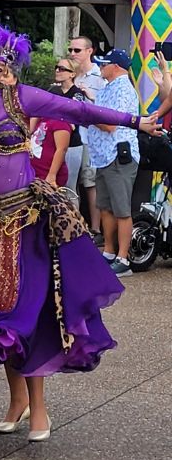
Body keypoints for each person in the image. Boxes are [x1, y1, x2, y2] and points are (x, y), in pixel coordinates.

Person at [0, 23, 158, 442]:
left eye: (8, 57)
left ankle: (39, 408)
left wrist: (135, 121)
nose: (3, 63)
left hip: (26, 223)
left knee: (29, 314)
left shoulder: (20, 97)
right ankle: (16, 401)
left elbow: (80, 112)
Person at [83, 49, 141, 277]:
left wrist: (86, 112)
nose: (100, 67)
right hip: (103, 155)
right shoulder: (108, 87)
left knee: (122, 209)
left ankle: (123, 258)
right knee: (105, 206)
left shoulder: (124, 89)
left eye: (104, 64)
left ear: (116, 66)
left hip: (119, 156)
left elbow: (110, 125)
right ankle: (108, 251)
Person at [67, 33, 106, 235]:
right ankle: (75, 227)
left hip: (92, 138)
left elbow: (107, 109)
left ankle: (96, 228)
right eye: (70, 50)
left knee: (90, 182)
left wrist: (90, 98)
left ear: (90, 51)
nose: (73, 54)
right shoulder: (71, 74)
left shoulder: (100, 77)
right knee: (71, 182)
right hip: (72, 137)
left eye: (77, 50)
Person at [49, 55, 89, 198]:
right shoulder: (53, 91)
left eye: (62, 69)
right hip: (53, 143)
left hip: (72, 145)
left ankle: (74, 219)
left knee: (69, 188)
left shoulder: (77, 94)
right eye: (57, 68)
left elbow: (73, 118)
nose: (58, 71)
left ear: (72, 74)